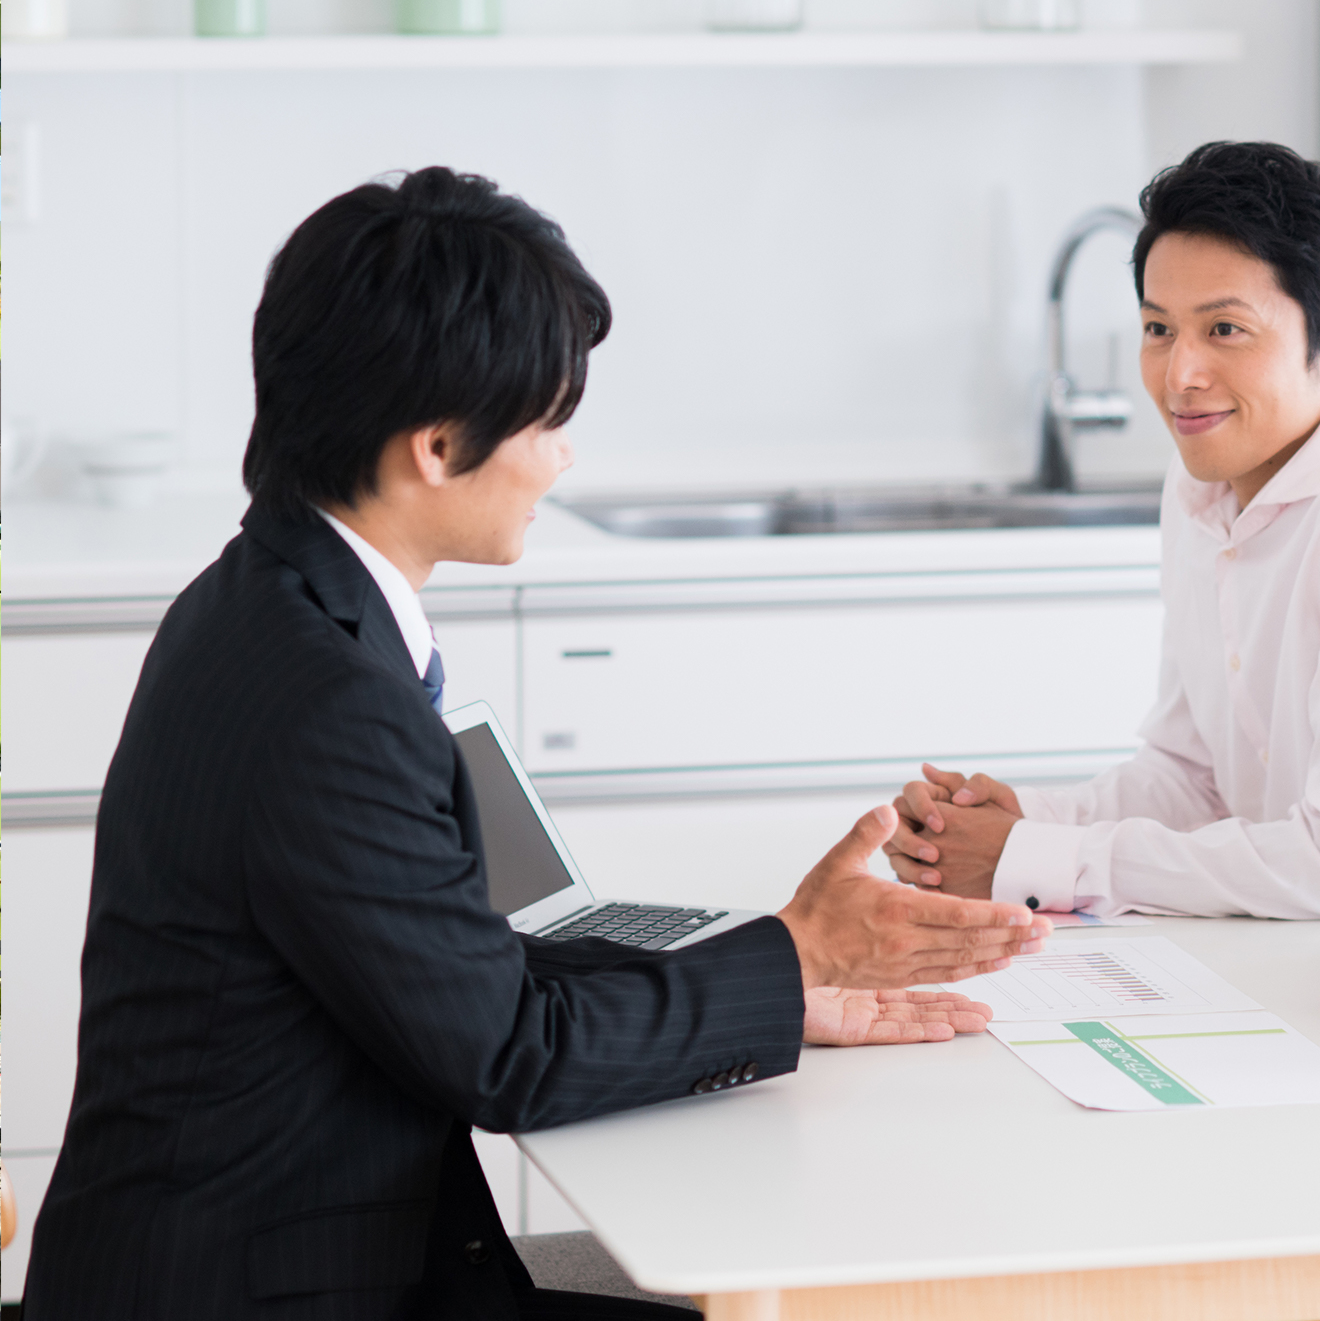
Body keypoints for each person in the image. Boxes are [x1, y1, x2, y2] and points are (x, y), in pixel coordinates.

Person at [23, 168, 1050, 1321]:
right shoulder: (327, 697)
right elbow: (509, 1054)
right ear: (437, 444)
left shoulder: (274, 596)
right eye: (550, 419)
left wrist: (774, 977)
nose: (562, 461)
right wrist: (793, 956)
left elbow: (452, 960)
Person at [883, 141, 1320, 919]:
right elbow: (1194, 779)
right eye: (1158, 328)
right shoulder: (1197, 485)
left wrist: (1039, 858)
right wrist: (1014, 823)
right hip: (1282, 950)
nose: (1178, 374)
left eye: (1224, 330)